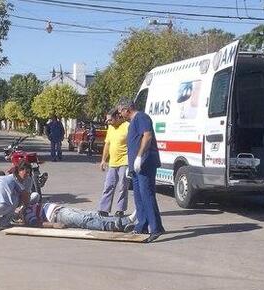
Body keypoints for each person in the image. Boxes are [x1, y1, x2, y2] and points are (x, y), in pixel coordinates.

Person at [118, 99, 165, 243]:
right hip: (136, 167)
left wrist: (139, 157)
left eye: (121, 111)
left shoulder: (141, 117)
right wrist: (130, 165)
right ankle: (142, 225)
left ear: (127, 109)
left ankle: (155, 229)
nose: (120, 114)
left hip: (145, 163)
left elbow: (147, 135)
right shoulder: (132, 122)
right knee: (139, 197)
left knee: (147, 195)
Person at [24, 197, 134, 232]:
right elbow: (36, 223)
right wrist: (53, 225)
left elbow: (35, 195)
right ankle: (113, 226)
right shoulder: (26, 213)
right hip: (58, 216)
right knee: (85, 220)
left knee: (94, 214)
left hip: (62, 209)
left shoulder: (28, 204)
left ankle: (126, 220)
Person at [97, 109, 130, 217]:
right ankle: (104, 209)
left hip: (124, 161)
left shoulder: (127, 126)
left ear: (117, 117)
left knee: (123, 185)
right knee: (108, 185)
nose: (108, 122)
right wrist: (103, 160)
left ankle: (120, 209)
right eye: (107, 120)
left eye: (110, 120)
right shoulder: (111, 128)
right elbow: (107, 144)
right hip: (113, 162)